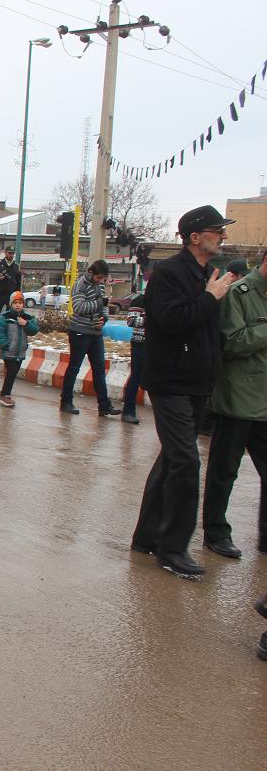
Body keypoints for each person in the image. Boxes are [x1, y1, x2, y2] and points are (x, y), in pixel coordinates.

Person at [131, 205, 240, 578]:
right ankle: (172, 548)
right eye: (217, 230)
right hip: (171, 382)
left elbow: (208, 330)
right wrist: (210, 298)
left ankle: (145, 537)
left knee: (171, 460)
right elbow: (173, 320)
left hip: (197, 383)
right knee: (186, 462)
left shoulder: (207, 274)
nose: (223, 236)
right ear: (195, 236)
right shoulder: (168, 274)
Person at [200, 249, 267, 559]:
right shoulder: (239, 293)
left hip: (265, 401)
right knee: (224, 471)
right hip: (238, 397)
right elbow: (233, 341)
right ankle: (215, 533)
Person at [59, 260, 122, 417]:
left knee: (99, 369)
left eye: (103, 279)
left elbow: (104, 306)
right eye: (99, 278)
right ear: (91, 272)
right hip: (80, 331)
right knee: (74, 367)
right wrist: (100, 303)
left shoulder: (99, 285)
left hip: (95, 332)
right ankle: (66, 402)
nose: (101, 282)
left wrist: (104, 319)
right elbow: (79, 307)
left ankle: (104, 405)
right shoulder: (81, 284)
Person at [0, 291, 39, 407]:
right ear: (10, 304)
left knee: (13, 373)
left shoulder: (27, 318)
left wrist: (26, 324)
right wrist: (5, 345)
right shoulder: (5, 317)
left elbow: (34, 330)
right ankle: (5, 395)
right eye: (15, 303)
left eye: (20, 303)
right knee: (11, 372)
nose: (17, 305)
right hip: (9, 350)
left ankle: (6, 394)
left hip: (20, 351)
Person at [120, 291, 146, 424]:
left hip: (158, 345)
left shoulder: (164, 299)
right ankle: (128, 411)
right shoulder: (140, 300)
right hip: (140, 343)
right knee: (136, 377)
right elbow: (131, 321)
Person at [0, 246, 22, 329]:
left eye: (13, 253)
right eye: (9, 253)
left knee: (12, 313)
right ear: (5, 253)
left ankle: (10, 329)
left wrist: (18, 293)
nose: (11, 255)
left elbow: (18, 281)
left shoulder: (16, 265)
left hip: (10, 294)